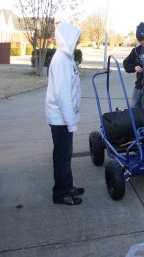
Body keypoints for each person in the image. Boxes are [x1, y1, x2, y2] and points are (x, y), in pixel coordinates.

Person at [45, 22, 84, 206]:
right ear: (67, 38)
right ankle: (60, 193)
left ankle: (67, 186)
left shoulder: (66, 58)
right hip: (60, 118)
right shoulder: (61, 60)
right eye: (75, 38)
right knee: (62, 156)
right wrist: (71, 122)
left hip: (65, 118)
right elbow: (63, 95)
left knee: (65, 155)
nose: (76, 42)